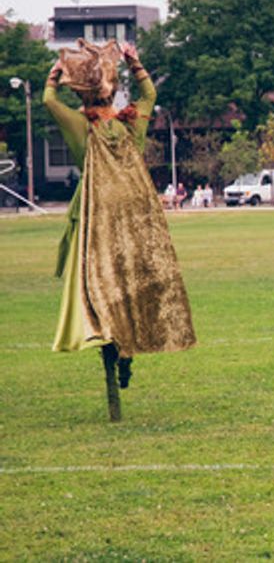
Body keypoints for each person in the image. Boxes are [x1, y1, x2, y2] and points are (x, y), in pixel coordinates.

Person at [44, 39, 196, 419]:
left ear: (84, 96)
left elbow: (49, 103)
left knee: (99, 287)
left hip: (100, 220)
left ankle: (113, 344)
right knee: (133, 283)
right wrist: (135, 62)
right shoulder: (132, 124)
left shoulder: (82, 128)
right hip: (138, 219)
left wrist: (53, 78)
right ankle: (127, 348)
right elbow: (149, 93)